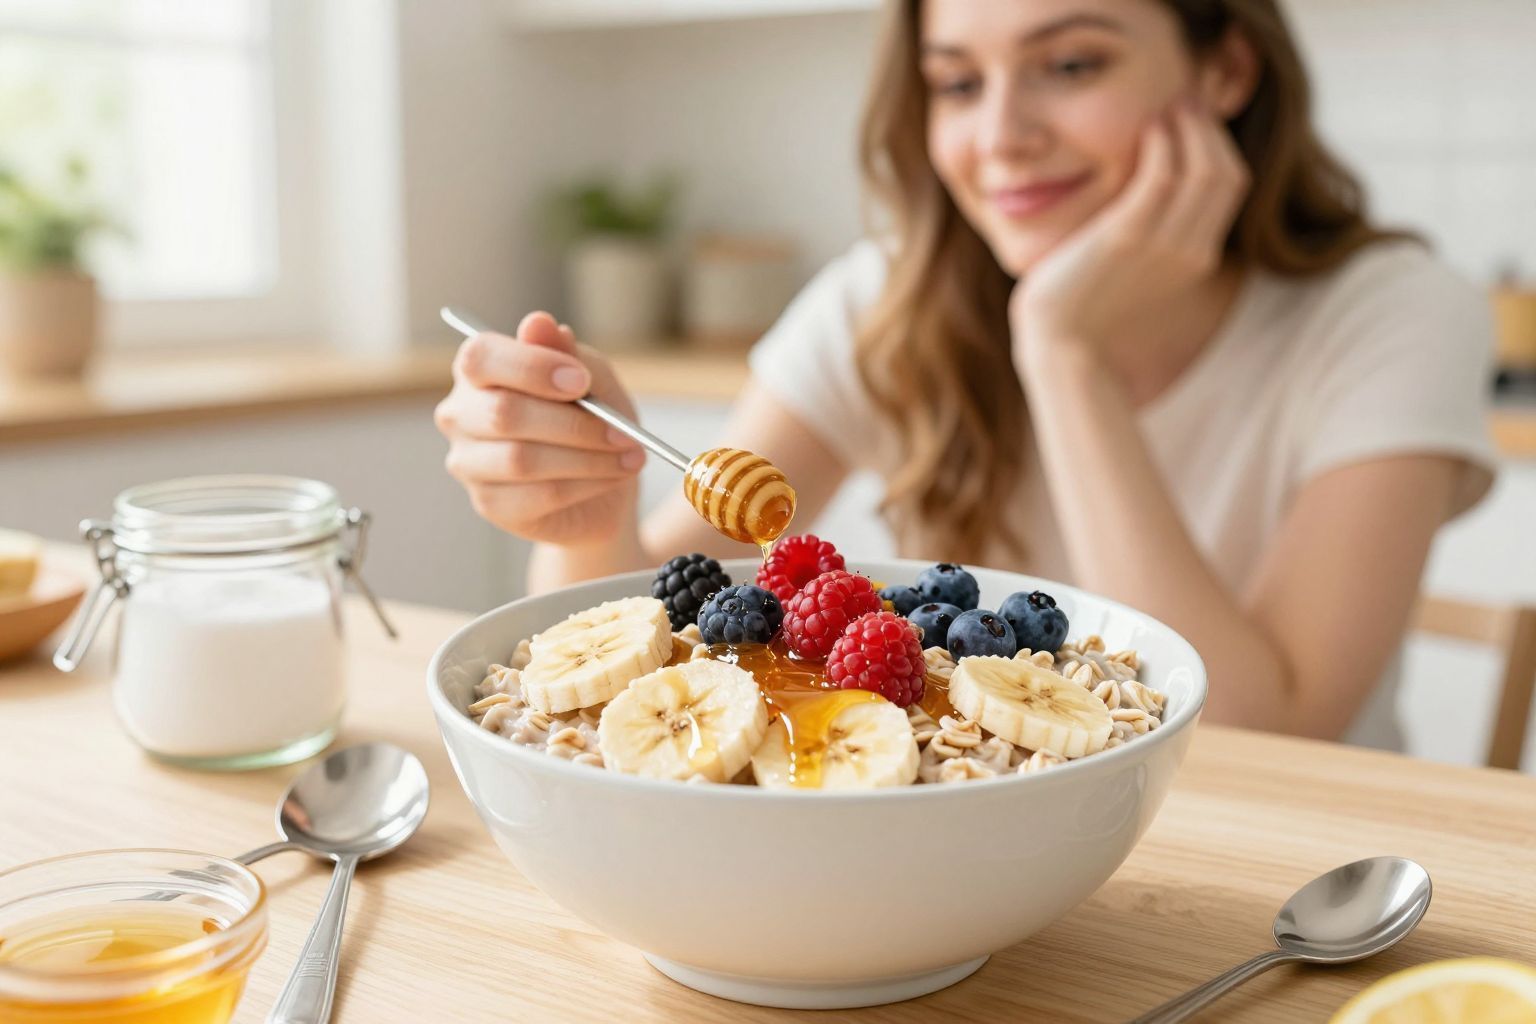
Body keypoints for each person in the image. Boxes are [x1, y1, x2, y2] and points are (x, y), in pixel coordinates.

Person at [433, 0, 1495, 748]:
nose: (1000, 138)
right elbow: (655, 606)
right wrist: (586, 512)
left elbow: (1262, 735)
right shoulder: (884, 303)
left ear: (1225, 69)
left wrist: (1063, 352)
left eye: (1071, 65)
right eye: (956, 82)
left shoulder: (1392, 313)